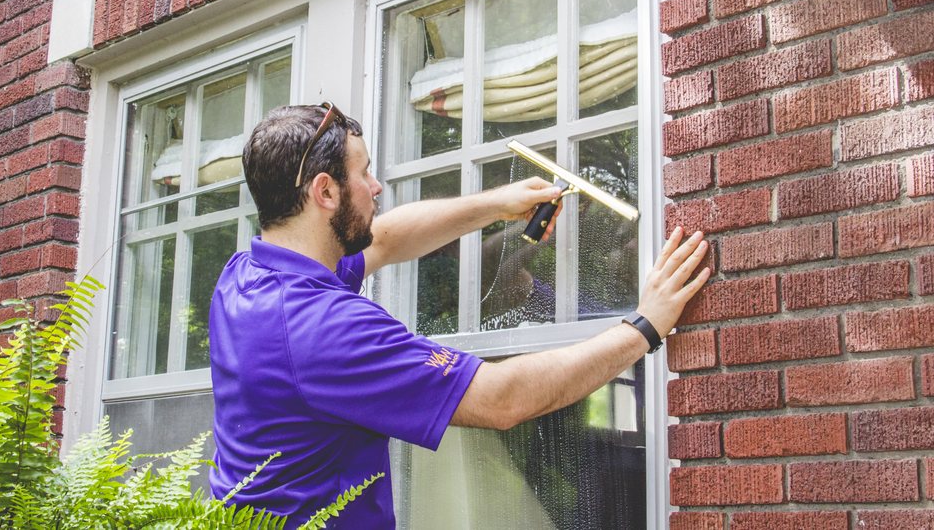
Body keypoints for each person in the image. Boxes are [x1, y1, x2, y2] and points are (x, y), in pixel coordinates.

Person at [208, 102, 710, 528]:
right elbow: (503, 399)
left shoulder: (249, 274)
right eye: (363, 173)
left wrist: (497, 205)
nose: (377, 186)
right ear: (325, 192)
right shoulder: (322, 327)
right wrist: (644, 326)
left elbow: (384, 238)